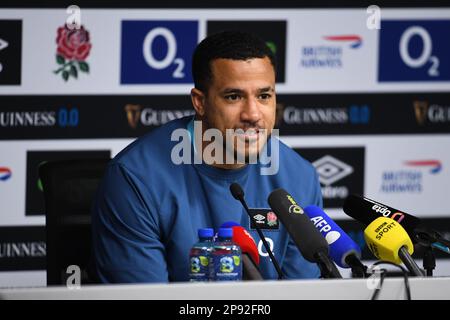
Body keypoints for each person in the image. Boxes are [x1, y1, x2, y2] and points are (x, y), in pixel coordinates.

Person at [91, 31, 322, 283]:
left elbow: (302, 292)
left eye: (264, 96)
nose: (253, 114)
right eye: (234, 97)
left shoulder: (301, 177)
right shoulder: (134, 179)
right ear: (199, 102)